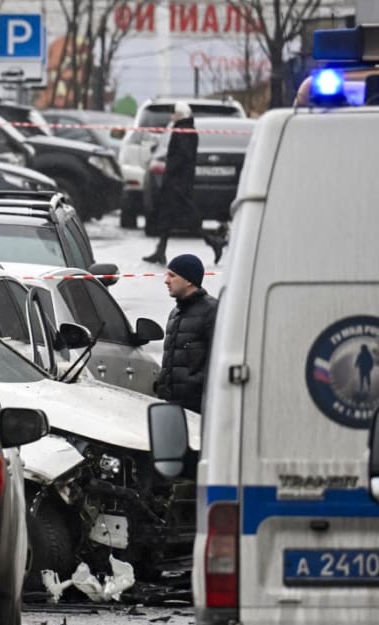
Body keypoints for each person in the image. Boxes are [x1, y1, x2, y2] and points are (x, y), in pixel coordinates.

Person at [155, 254, 218, 413]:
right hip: (171, 406)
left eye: (172, 275)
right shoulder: (175, 313)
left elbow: (218, 361)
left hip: (197, 409)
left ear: (189, 280)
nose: (166, 280)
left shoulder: (212, 311)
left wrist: (195, 387)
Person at [143, 102, 198, 266]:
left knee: (185, 217)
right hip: (177, 180)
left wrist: (171, 171)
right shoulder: (183, 128)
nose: (171, 116)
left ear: (180, 114)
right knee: (167, 216)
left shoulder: (182, 130)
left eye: (173, 113)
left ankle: (214, 241)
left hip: (177, 181)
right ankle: (160, 251)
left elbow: (182, 156)